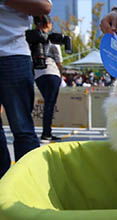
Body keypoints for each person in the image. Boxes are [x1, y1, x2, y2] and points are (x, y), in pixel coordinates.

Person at [0, 0, 52, 178]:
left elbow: (44, 6)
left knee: (22, 128)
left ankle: (30, 184)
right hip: (13, 57)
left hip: (12, 54)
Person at [33, 15, 63, 143]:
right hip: (52, 72)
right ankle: (46, 134)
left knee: (47, 104)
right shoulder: (53, 39)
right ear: (48, 24)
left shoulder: (32, 39)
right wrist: (60, 73)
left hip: (38, 75)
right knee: (49, 104)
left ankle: (47, 132)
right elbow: (59, 59)